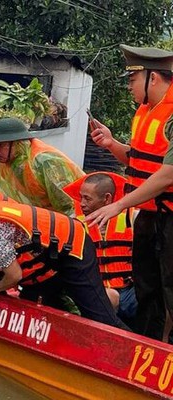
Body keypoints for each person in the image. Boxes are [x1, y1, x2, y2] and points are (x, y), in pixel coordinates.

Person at [0, 172, 129, 330]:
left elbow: (14, 275)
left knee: (99, 316)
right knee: (34, 309)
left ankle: (132, 352)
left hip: (74, 252)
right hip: (48, 262)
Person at [86, 44, 173, 340]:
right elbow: (138, 161)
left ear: (153, 79)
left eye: (132, 79)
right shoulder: (145, 112)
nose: (128, 87)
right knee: (148, 290)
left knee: (170, 288)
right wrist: (112, 144)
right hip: (149, 218)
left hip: (170, 218)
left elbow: (167, 174)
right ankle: (147, 347)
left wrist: (118, 205)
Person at [63, 172, 137, 324]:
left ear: (107, 199)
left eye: (87, 199)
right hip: (99, 294)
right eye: (81, 197)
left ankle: (162, 342)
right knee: (110, 297)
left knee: (163, 298)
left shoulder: (132, 217)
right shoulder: (75, 225)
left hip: (131, 291)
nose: (82, 203)